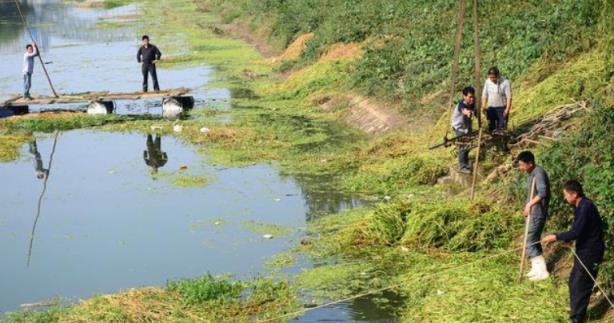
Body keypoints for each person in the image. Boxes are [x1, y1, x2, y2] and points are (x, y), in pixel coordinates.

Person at [543, 180, 605, 323]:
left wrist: (556, 237)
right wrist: (570, 238)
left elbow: (576, 231)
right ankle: (576, 313)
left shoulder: (585, 207)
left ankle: (577, 318)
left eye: (566, 195)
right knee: (573, 282)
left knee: (581, 283)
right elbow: (580, 230)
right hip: (583, 250)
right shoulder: (579, 206)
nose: (565, 198)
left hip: (591, 252)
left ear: (574, 194)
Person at [516, 150, 550, 281]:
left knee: (530, 240)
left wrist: (529, 204)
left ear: (530, 163)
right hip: (533, 213)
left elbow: (543, 193)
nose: (520, 168)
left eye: (522, 165)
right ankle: (536, 268)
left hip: (537, 213)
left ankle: (542, 271)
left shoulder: (539, 173)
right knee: (533, 240)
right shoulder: (532, 173)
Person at [450, 86, 475, 174]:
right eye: (470, 97)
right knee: (463, 145)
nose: (472, 99)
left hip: (467, 126)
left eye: (473, 97)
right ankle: (462, 166)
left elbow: (475, 111)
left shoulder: (472, 103)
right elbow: (464, 110)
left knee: (468, 145)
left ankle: (466, 161)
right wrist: (468, 112)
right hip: (459, 127)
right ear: (464, 96)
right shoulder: (461, 104)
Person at [482, 67, 512, 134]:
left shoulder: (505, 82)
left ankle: (502, 142)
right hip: (491, 109)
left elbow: (509, 97)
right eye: (490, 77)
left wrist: (507, 110)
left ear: (498, 75)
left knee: (501, 128)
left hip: (501, 108)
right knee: (491, 128)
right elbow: (485, 95)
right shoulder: (487, 82)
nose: (492, 79)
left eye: (493, 77)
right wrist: (484, 106)